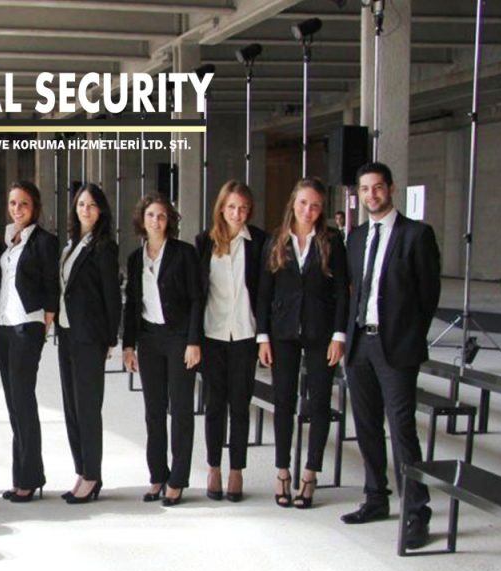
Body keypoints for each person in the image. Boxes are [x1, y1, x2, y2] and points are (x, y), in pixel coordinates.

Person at [339, 162, 441, 551]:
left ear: (391, 189)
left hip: (396, 347)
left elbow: (428, 296)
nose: (372, 195)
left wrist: (408, 335)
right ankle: (376, 498)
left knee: (402, 430)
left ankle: (416, 512)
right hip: (360, 345)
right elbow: (353, 290)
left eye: (378, 187)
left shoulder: (416, 234)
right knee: (366, 425)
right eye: (365, 189)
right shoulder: (356, 237)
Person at [256, 178, 348, 509]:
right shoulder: (276, 241)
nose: (308, 210)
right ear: (293, 203)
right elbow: (264, 292)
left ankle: (310, 473)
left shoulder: (332, 241)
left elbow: (342, 292)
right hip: (282, 332)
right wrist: (263, 337)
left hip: (321, 332)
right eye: (303, 203)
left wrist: (339, 335)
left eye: (315, 205)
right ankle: (282, 471)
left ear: (322, 209)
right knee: (283, 401)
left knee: (319, 403)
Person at [122, 195, 203, 507]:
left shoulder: (184, 253)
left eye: (162, 216)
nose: (156, 221)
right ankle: (157, 474)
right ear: (142, 220)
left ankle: (177, 480)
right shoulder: (135, 258)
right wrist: (129, 345)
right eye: (151, 215)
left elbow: (197, 299)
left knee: (181, 409)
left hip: (179, 338)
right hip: (149, 338)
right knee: (153, 410)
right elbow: (132, 303)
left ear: (169, 221)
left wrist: (194, 341)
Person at [195, 180, 267, 503]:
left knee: (240, 405)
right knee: (214, 406)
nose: (238, 214)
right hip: (213, 334)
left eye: (243, 208)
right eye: (232, 207)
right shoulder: (204, 242)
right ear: (221, 208)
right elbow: (198, 295)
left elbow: (264, 293)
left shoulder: (259, 241)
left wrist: (264, 336)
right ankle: (214, 467)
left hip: (245, 335)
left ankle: (237, 469)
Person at [0, 181, 59, 503]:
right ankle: (21, 475)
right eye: (13, 203)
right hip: (3, 325)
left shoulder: (45, 241)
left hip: (27, 326)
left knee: (23, 401)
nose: (17, 209)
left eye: (24, 204)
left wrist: (44, 324)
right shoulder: (8, 239)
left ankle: (30, 478)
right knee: (12, 403)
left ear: (35, 208)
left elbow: (52, 286)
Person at [57, 183, 121, 505]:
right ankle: (82, 471)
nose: (85, 209)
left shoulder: (104, 247)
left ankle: (92, 475)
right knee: (71, 408)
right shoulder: (71, 245)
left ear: (101, 211)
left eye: (92, 205)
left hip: (89, 337)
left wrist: (110, 338)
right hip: (67, 333)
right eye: (81, 204)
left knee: (88, 409)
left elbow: (112, 295)